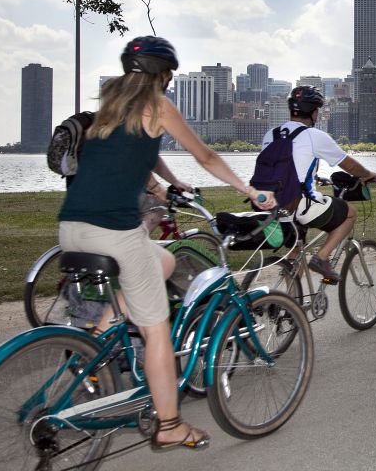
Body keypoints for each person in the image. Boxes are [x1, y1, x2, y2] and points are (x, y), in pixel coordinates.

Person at [58, 36, 276, 451]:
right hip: (113, 230)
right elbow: (206, 156)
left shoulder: (110, 105)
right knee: (157, 331)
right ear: (166, 75)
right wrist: (250, 190)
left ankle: (96, 338)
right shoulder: (158, 105)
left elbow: (137, 152)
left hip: (71, 227)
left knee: (162, 263)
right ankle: (171, 425)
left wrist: (165, 183)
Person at [269, 86, 376, 284]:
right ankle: (322, 258)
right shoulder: (314, 136)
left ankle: (289, 306)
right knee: (350, 213)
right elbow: (350, 165)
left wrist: (315, 178)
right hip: (300, 204)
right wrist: (369, 175)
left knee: (295, 252)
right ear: (313, 111)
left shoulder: (272, 134)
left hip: (274, 205)